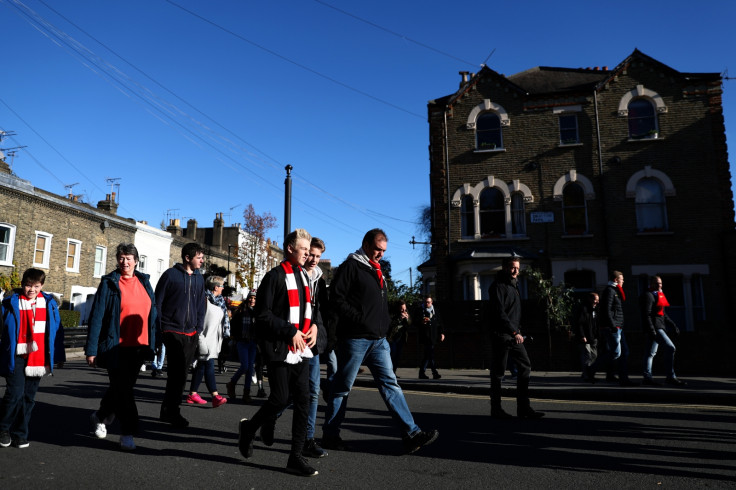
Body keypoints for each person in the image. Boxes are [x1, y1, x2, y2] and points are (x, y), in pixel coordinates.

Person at [321, 228, 438, 454]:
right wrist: (359, 319)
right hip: (355, 339)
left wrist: (388, 318)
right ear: (365, 244)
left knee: (390, 385)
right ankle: (330, 435)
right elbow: (336, 298)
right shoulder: (351, 266)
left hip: (379, 341)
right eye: (377, 249)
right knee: (342, 388)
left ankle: (411, 434)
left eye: (383, 250)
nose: (380, 254)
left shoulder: (377, 270)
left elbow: (375, 305)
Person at [237, 229, 319, 477]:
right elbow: (263, 315)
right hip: (279, 348)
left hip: (301, 349)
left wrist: (314, 326)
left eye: (308, 249)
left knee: (304, 400)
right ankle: (250, 429)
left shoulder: (305, 277)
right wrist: (288, 331)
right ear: (291, 249)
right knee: (280, 398)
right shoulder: (274, 277)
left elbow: (311, 311)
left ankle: (295, 457)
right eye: (304, 249)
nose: (307, 253)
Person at [85, 243, 157, 451]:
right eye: (121, 257)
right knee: (124, 391)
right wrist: (91, 350)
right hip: (115, 346)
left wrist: (155, 342)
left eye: (128, 258)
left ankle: (100, 415)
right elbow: (97, 316)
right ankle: (128, 433)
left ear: (136, 260)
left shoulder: (145, 282)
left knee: (121, 388)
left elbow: (153, 314)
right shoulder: (109, 283)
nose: (124, 262)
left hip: (139, 346)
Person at [0, 268, 61, 449]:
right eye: (28, 285)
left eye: (35, 286)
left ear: (41, 286)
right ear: (22, 284)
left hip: (38, 356)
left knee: (28, 397)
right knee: (14, 394)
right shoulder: (10, 303)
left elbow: (56, 332)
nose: (31, 290)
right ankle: (3, 429)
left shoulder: (49, 304)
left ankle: (20, 434)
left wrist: (58, 356)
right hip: (16, 355)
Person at [156, 242, 207, 428]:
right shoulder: (170, 275)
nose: (202, 261)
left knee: (181, 374)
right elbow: (158, 302)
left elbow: (202, 305)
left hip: (191, 333)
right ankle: (173, 412)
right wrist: (161, 328)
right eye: (199, 257)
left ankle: (166, 411)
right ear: (187, 258)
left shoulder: (200, 279)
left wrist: (198, 328)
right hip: (172, 330)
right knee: (177, 373)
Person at [488, 256, 544, 419]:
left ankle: (523, 408)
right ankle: (496, 409)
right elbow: (499, 313)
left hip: (513, 334)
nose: (516, 271)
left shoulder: (514, 286)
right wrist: (514, 332)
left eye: (518, 268)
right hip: (501, 335)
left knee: (525, 366)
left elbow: (513, 312)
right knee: (498, 373)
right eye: (513, 267)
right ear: (505, 267)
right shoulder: (497, 287)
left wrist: (518, 330)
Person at [300, 237, 329, 458]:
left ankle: (308, 439)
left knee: (312, 392)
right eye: (311, 254)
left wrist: (317, 328)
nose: (313, 260)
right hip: (292, 341)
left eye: (318, 256)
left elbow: (322, 312)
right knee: (287, 394)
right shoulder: (291, 274)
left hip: (312, 344)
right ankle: (264, 422)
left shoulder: (319, 279)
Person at [186, 276, 228, 407]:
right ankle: (215, 396)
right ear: (216, 287)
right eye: (221, 286)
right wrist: (200, 337)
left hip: (214, 339)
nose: (223, 288)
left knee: (202, 366)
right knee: (208, 365)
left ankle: (192, 393)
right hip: (203, 338)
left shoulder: (220, 301)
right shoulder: (204, 300)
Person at [641, 276, 686, 386]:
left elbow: (663, 314)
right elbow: (646, 314)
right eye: (656, 283)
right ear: (651, 283)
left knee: (650, 353)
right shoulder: (648, 295)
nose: (659, 285)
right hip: (655, 328)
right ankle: (670, 377)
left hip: (659, 327)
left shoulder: (659, 295)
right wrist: (652, 330)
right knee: (671, 348)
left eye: (660, 283)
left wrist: (673, 325)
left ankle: (647, 378)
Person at [599, 271, 637, 387]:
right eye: (622, 279)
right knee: (619, 352)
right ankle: (593, 368)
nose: (623, 281)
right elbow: (607, 309)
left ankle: (616, 376)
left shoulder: (615, 291)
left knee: (619, 352)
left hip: (618, 326)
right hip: (614, 327)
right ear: (616, 280)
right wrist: (613, 326)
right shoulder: (610, 291)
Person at [226, 292, 258, 402]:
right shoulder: (241, 310)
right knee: (245, 366)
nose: (252, 300)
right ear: (247, 298)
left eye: (254, 298)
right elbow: (233, 324)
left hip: (253, 342)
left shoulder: (258, 311)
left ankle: (246, 393)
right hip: (242, 342)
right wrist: (234, 337)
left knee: (250, 368)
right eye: (251, 298)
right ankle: (232, 383)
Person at [572, 292, 599, 383]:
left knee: (594, 355)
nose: (597, 302)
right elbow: (579, 324)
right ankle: (587, 375)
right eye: (595, 300)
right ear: (590, 299)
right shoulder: (584, 309)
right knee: (587, 356)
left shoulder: (594, 310)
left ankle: (588, 373)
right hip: (585, 337)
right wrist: (582, 335)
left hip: (593, 336)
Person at [418, 296, 444, 379]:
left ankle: (421, 373)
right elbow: (414, 322)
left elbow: (440, 323)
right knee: (430, 354)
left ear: (431, 302)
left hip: (433, 336)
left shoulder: (435, 310)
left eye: (428, 302)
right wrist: (421, 322)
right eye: (425, 302)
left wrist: (442, 333)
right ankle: (434, 372)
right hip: (425, 336)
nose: (427, 303)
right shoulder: (419, 310)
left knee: (427, 355)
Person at [388, 301, 411, 376]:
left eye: (405, 309)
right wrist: (399, 319)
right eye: (402, 309)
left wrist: (407, 319)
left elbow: (410, 323)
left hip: (401, 337)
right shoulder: (393, 314)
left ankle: (393, 372)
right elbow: (390, 324)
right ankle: (389, 372)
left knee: (398, 356)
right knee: (393, 354)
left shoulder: (406, 312)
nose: (404, 311)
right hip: (392, 337)